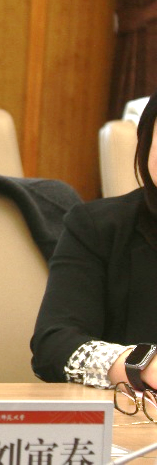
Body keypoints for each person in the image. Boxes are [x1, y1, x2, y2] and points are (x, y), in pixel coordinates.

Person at [31, 90, 157, 389]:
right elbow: (54, 344)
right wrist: (141, 365)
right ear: (145, 142)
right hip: (132, 412)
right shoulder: (98, 226)